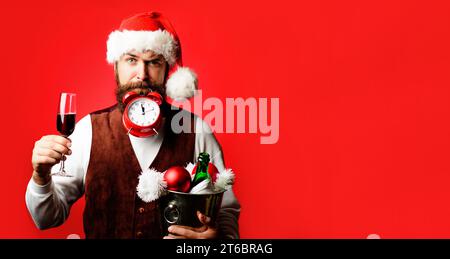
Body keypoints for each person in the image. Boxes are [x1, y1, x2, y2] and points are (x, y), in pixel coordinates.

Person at [25, 11, 240, 239]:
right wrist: (41, 176)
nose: (142, 74)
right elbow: (46, 218)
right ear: (116, 66)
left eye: (154, 62)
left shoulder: (196, 131)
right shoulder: (88, 130)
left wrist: (218, 240)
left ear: (167, 69)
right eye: (131, 60)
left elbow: (226, 211)